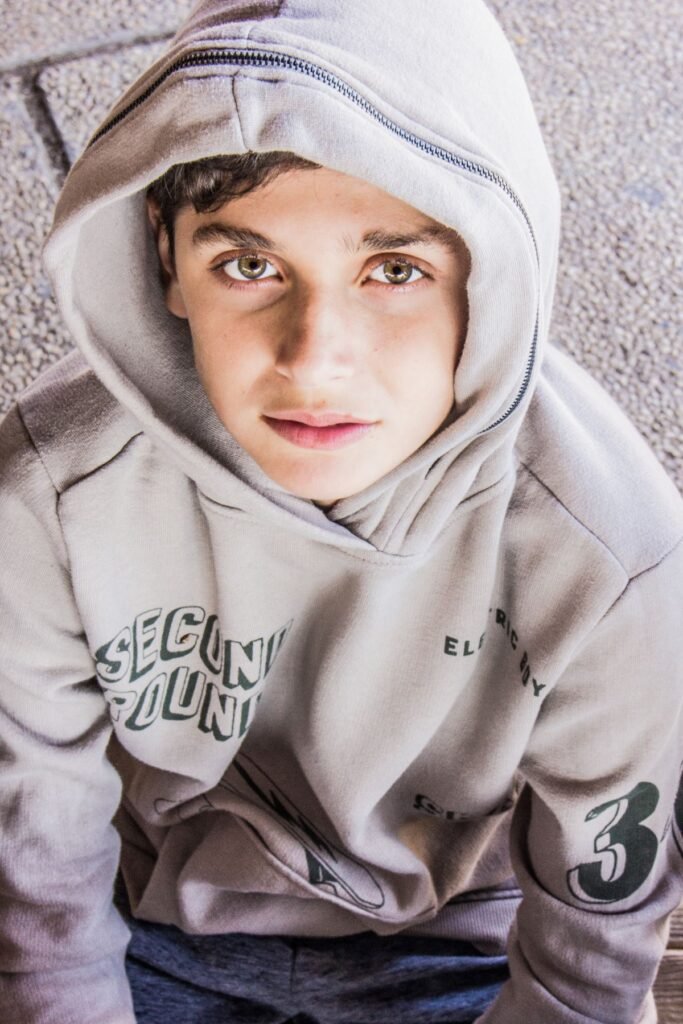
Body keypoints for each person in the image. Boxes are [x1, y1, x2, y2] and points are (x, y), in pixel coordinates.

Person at [1, 1, 681, 1022]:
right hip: (150, 917)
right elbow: (41, 880)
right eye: (248, 264)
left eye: (394, 271)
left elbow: (589, 943)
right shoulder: (48, 491)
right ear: (163, 256)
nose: (314, 357)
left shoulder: (608, 547)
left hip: (462, 936)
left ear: (488, 270)